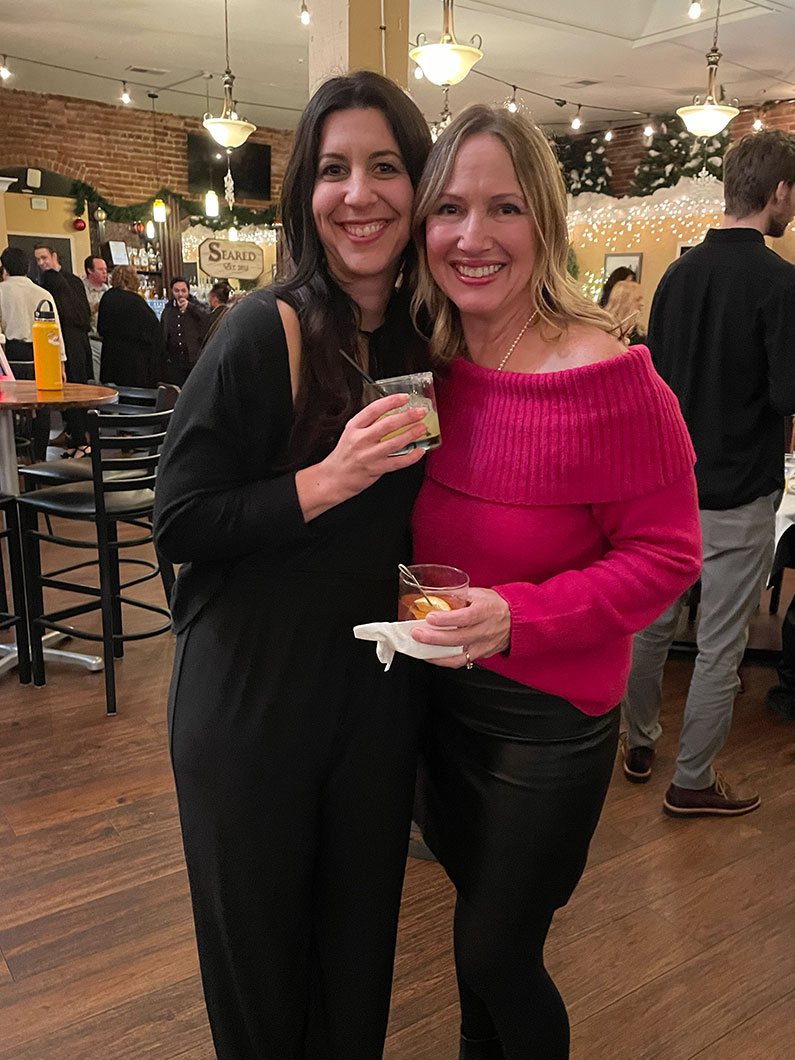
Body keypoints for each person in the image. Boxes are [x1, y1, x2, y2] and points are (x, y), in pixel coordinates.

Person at [407, 106, 701, 1060]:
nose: (471, 236)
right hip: (436, 703)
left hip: (544, 725)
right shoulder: (425, 363)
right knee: (472, 939)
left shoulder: (611, 377)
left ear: (545, 219)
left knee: (496, 950)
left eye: (502, 207)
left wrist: (515, 617)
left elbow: (666, 556)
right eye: (448, 207)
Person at [153, 71, 432, 1060]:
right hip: (250, 700)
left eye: (386, 166)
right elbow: (178, 517)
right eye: (334, 169)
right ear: (304, 197)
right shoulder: (258, 330)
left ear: (418, 185)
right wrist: (328, 478)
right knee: (264, 990)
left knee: (356, 976)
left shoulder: (414, 340)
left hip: (370, 701)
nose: (360, 193)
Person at [622, 129, 795, 815]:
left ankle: (638, 742)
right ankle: (691, 780)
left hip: (666, 486)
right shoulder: (780, 282)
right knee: (719, 644)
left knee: (650, 626)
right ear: (777, 191)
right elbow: (786, 394)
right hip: (738, 491)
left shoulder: (676, 274)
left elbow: (655, 382)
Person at [0, 246, 66, 459]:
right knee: (42, 405)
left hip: (12, 355)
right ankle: (40, 456)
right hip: (42, 354)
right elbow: (56, 332)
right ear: (27, 267)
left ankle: (15, 457)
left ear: (4, 268)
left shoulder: (1, 291)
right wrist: (61, 363)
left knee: (12, 408)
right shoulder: (42, 292)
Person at [34, 243, 92, 452]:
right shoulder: (73, 281)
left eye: (44, 258)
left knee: (71, 391)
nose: (41, 263)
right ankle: (74, 435)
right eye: (38, 260)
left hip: (67, 341)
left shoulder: (49, 284)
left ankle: (79, 439)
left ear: (54, 256)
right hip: (78, 341)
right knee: (74, 390)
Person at [98, 265, 164, 387]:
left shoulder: (107, 297)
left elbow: (101, 329)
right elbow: (155, 332)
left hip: (111, 359)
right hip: (135, 363)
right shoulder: (136, 302)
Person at [160, 276, 209, 385]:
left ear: (188, 291)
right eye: (177, 291)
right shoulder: (168, 309)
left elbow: (207, 317)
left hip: (193, 360)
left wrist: (190, 307)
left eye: (183, 291)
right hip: (174, 362)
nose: (180, 294)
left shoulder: (196, 306)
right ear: (172, 291)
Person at [83, 254, 110, 380]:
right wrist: (95, 308)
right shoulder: (81, 289)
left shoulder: (109, 290)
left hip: (108, 341)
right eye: (101, 270)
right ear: (90, 270)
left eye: (106, 269)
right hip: (92, 339)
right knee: (96, 378)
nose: (105, 273)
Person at [605, 277, 646, 345]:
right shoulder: (604, 328)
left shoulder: (640, 334)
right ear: (624, 301)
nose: (642, 304)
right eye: (638, 299)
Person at [201, 280, 231, 349]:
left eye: (210, 296)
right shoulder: (230, 313)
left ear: (215, 299)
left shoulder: (215, 316)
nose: (209, 299)